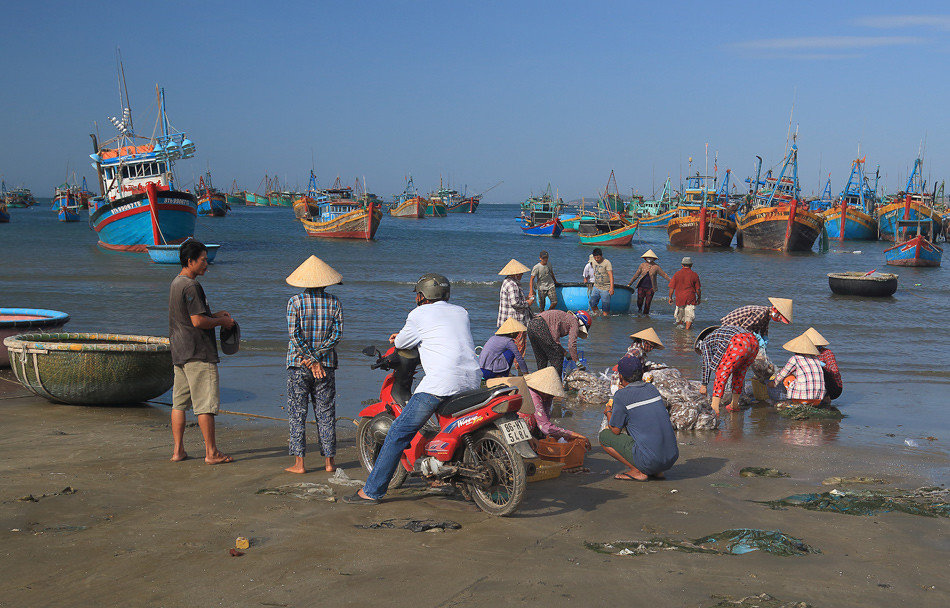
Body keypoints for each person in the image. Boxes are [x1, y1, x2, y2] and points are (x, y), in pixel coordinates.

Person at [345, 273, 481, 505]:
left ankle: (372, 491)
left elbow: (400, 344)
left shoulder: (417, 314)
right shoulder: (461, 312)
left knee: (398, 433)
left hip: (441, 384)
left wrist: (399, 338)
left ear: (422, 296)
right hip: (472, 380)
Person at [168, 240, 235, 465]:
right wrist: (221, 322)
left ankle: (178, 451)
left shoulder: (176, 283)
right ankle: (212, 453)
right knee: (205, 404)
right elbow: (197, 321)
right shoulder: (191, 286)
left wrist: (215, 315)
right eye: (203, 260)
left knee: (179, 404)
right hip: (198, 352)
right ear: (190, 261)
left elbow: (189, 317)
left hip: (179, 351)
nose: (207, 264)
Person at [283, 255, 344, 474]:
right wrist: (317, 358)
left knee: (297, 413)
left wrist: (310, 358)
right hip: (326, 365)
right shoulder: (334, 302)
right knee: (326, 412)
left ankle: (300, 463)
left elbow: (295, 336)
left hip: (298, 364)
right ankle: (329, 463)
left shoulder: (295, 302)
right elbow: (336, 336)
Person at [600, 356, 679, 481]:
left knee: (604, 436)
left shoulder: (621, 396)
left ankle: (638, 471)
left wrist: (608, 411)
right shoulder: (651, 389)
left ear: (620, 377)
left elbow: (615, 430)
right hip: (671, 456)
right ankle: (657, 471)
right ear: (641, 374)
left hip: (652, 460)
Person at [694, 325, 759, 414]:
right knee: (739, 373)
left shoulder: (704, 342)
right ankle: (734, 405)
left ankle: (714, 407)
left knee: (721, 373)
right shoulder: (720, 334)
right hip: (753, 341)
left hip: (739, 341)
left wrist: (704, 385)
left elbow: (707, 363)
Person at [520, 366, 591, 449]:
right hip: (521, 423)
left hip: (531, 425)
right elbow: (545, 426)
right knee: (530, 420)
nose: (551, 396)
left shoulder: (546, 396)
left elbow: (545, 418)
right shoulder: (533, 395)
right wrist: (574, 435)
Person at [527, 309, 591, 376]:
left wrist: (565, 353)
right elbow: (571, 345)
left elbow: (553, 341)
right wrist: (577, 362)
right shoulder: (574, 322)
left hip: (531, 325)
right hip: (541, 326)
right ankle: (557, 383)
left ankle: (541, 383)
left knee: (542, 359)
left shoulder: (565, 317)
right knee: (557, 357)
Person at [772, 334, 826, 406]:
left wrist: (774, 383)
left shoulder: (795, 358)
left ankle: (794, 400)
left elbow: (783, 373)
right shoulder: (816, 359)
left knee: (789, 377)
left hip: (801, 398)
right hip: (818, 398)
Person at [497, 259, 534, 355]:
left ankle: (509, 369)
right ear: (516, 274)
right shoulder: (512, 284)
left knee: (507, 348)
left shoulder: (506, 281)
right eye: (521, 273)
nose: (522, 275)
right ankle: (519, 369)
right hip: (515, 322)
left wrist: (525, 299)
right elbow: (515, 303)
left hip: (506, 322)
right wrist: (528, 303)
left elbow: (513, 300)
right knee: (518, 349)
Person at [610, 328, 664, 392]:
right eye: (650, 346)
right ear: (643, 342)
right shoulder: (637, 351)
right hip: (620, 383)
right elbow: (621, 366)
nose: (651, 349)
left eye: (653, 347)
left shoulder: (640, 351)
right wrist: (616, 385)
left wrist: (653, 367)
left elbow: (639, 368)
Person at [720, 297, 793, 339]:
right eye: (779, 318)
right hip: (730, 325)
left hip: (738, 328)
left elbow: (764, 329)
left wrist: (764, 337)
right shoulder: (761, 313)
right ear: (775, 311)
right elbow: (745, 327)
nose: (778, 321)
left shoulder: (767, 316)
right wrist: (755, 337)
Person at [626, 250, 670, 315]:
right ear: (645, 258)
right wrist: (630, 283)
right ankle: (640, 310)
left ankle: (645, 316)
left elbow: (664, 275)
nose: (649, 259)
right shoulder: (642, 265)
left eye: (651, 257)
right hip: (641, 286)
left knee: (647, 303)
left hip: (651, 287)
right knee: (639, 301)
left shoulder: (656, 267)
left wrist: (672, 282)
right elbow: (636, 275)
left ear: (654, 258)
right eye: (648, 257)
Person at [804, 327, 842, 401]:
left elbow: (834, 370)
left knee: (821, 370)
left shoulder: (826, 353)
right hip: (815, 386)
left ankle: (825, 397)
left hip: (834, 387)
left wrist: (819, 363)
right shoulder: (804, 355)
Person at [668, 257, 701, 329]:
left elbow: (671, 288)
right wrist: (699, 298)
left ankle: (680, 332)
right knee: (689, 316)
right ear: (691, 265)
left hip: (679, 298)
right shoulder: (694, 275)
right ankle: (687, 332)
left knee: (680, 316)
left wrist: (670, 297)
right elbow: (698, 289)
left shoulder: (677, 274)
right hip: (691, 298)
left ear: (682, 265)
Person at [588, 248, 614, 316]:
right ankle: (597, 314)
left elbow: (611, 276)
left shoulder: (607, 263)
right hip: (596, 286)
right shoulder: (593, 261)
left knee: (605, 307)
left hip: (605, 288)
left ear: (601, 255)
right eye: (595, 257)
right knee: (592, 303)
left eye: (598, 257)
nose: (596, 259)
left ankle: (605, 321)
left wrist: (611, 288)